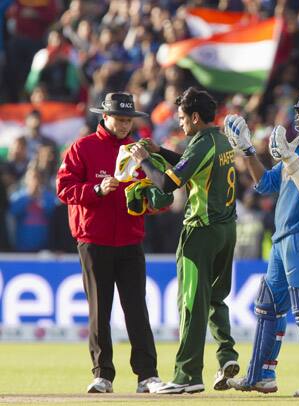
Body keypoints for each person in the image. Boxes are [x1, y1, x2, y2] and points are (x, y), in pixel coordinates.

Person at [223, 89, 299, 397]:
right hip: (281, 237)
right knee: (267, 306)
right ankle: (261, 375)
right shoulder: (296, 146)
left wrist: (291, 160)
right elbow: (265, 184)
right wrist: (249, 151)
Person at [129, 87, 239, 394]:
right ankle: (227, 355)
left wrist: (144, 160)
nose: (180, 124)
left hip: (200, 231)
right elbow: (190, 164)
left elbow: (168, 182)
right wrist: (160, 151)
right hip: (227, 229)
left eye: (182, 118)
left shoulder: (201, 142)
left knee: (191, 304)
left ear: (194, 117)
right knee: (216, 298)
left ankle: (186, 376)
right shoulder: (219, 141)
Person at [56, 92, 162, 394]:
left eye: (129, 120)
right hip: (94, 240)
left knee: (136, 310)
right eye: (120, 119)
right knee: (99, 311)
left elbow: (158, 193)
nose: (125, 125)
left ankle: (147, 376)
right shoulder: (83, 148)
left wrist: (151, 201)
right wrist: (97, 190)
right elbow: (64, 188)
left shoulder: (138, 150)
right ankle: (103, 375)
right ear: (105, 117)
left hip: (130, 240)